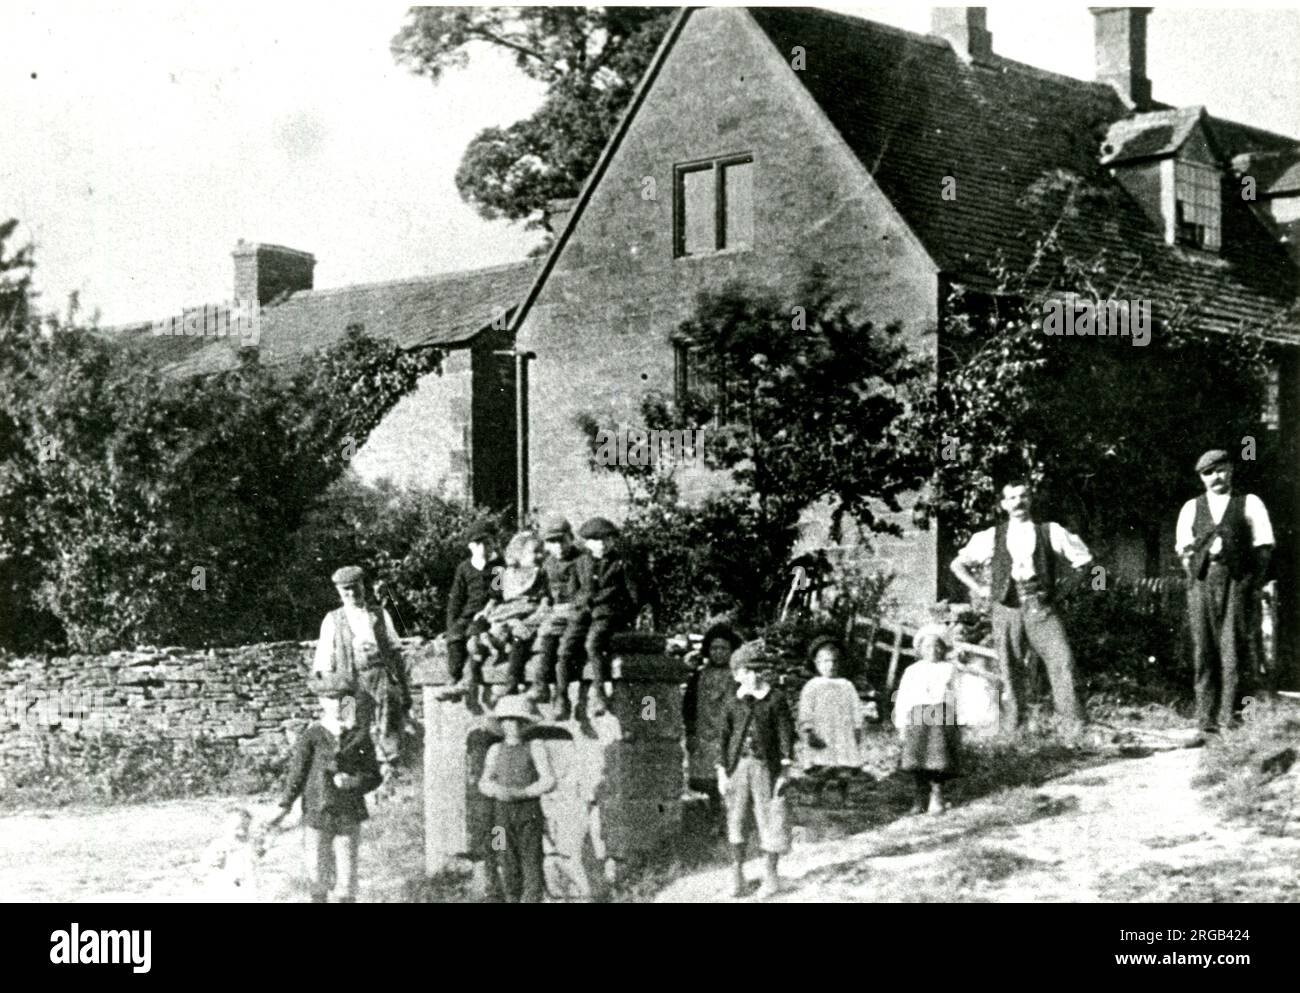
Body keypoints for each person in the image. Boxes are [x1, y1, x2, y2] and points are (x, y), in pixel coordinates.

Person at [949, 477, 1094, 729]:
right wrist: (980, 589)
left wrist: (1064, 590)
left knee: (1063, 661)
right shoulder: (991, 536)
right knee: (1009, 667)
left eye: (1023, 496)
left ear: (1030, 499)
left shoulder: (1051, 531)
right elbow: (957, 564)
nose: (1018, 502)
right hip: (1006, 607)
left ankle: (1074, 727)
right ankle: (1014, 729)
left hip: (1041, 606)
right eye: (1012, 498)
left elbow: (1087, 563)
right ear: (1004, 504)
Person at [1175, 449, 1274, 735]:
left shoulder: (1249, 503)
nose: (1215, 477)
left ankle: (1231, 720)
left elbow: (1264, 547)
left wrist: (1251, 583)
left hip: (1237, 580)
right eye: (1208, 473)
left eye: (1220, 470)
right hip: (1202, 581)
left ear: (1230, 469)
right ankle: (1205, 723)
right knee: (1203, 651)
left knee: (1233, 651)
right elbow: (1184, 550)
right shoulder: (1191, 508)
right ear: (1201, 478)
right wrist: (1195, 578)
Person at [267, 675, 384, 903]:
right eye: (330, 699)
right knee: (316, 872)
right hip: (317, 812)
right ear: (321, 701)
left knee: (346, 878)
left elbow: (373, 775)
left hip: (348, 814)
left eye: (344, 699)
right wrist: (284, 805)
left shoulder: (360, 736)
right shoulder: (313, 735)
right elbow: (297, 774)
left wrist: (354, 782)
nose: (338, 704)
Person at [312, 565, 408, 780]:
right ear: (339, 591)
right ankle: (350, 772)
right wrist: (332, 688)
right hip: (349, 681)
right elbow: (324, 659)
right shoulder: (333, 619)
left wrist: (403, 685)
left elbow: (394, 649)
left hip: (379, 675)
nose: (352, 593)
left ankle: (389, 768)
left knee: (388, 718)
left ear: (363, 586)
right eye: (346, 589)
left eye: (355, 587)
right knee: (349, 723)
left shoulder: (379, 614)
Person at [717, 640, 796, 899]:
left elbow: (786, 734)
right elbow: (724, 737)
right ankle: (737, 875)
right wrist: (721, 771)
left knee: (769, 819)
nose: (742, 678)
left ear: (756, 672)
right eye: (738, 673)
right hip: (738, 767)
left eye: (746, 672)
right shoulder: (733, 701)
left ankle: (771, 877)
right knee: (736, 820)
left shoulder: (774, 700)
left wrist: (785, 768)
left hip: (766, 768)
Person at [477, 694, 557, 903]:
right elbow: (484, 782)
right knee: (504, 856)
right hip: (500, 814)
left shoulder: (535, 746)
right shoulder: (495, 750)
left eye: (515, 720)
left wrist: (523, 793)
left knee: (531, 858)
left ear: (524, 723)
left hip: (528, 811)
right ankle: (511, 897)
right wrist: (495, 790)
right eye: (506, 720)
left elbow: (548, 780)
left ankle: (531, 899)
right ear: (501, 723)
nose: (510, 725)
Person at [568, 516, 638, 719]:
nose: (602, 544)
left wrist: (627, 616)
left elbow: (632, 595)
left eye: (607, 540)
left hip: (609, 615)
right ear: (587, 543)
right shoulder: (580, 563)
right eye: (596, 540)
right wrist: (582, 603)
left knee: (593, 643)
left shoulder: (620, 563)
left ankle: (600, 693)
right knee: (567, 643)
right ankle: (562, 696)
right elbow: (574, 592)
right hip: (585, 614)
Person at [893, 623, 965, 815]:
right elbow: (903, 698)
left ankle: (937, 795)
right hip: (918, 718)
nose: (933, 650)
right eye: (927, 647)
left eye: (937, 646)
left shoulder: (950, 669)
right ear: (920, 650)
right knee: (917, 758)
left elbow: (959, 694)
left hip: (942, 718)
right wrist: (901, 724)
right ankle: (919, 797)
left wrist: (960, 719)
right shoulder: (912, 670)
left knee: (939, 758)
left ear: (944, 648)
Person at [472, 531, 550, 701]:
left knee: (519, 637)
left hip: (527, 610)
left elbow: (544, 599)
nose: (539, 555)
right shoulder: (500, 573)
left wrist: (537, 615)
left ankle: (512, 679)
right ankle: (469, 679)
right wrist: (486, 611)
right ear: (518, 553)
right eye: (533, 552)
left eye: (540, 551)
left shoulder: (540, 573)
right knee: (479, 631)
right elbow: (494, 597)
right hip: (505, 611)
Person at [525, 515, 584, 717]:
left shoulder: (581, 560)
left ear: (571, 538)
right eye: (552, 542)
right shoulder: (548, 564)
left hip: (577, 612)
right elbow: (546, 594)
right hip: (557, 614)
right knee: (546, 637)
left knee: (562, 648)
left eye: (562, 540)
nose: (557, 546)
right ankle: (542, 686)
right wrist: (545, 605)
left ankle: (561, 695)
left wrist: (564, 609)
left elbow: (584, 593)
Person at [683, 621, 744, 814]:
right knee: (707, 779)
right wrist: (691, 733)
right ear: (708, 650)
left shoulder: (738, 676)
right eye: (714, 648)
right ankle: (713, 811)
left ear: (732, 650)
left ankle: (731, 814)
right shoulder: (699, 677)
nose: (718, 652)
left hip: (729, 733)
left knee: (731, 774)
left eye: (724, 648)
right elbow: (689, 707)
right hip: (704, 734)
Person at [797, 636, 864, 806]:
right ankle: (815, 794)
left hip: (843, 733)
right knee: (822, 765)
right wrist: (808, 730)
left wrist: (857, 728)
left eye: (834, 661)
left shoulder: (846, 685)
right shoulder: (812, 685)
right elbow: (805, 710)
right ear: (817, 663)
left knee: (844, 766)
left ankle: (844, 796)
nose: (831, 665)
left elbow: (856, 708)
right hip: (823, 732)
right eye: (825, 661)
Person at [445, 522, 504, 712]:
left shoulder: (498, 566)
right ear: (470, 546)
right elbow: (456, 599)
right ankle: (453, 678)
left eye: (487, 543)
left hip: (489, 613)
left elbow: (497, 595)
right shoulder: (464, 568)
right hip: (468, 613)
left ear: (493, 544)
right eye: (477, 544)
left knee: (473, 638)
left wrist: (486, 612)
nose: (483, 548)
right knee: (454, 637)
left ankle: (468, 685)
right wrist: (452, 624)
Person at [199, 806, 264, 902]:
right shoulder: (219, 846)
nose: (242, 832)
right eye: (236, 828)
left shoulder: (248, 846)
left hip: (247, 890)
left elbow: (254, 865)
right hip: (225, 890)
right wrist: (213, 862)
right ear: (224, 827)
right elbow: (204, 866)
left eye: (246, 829)